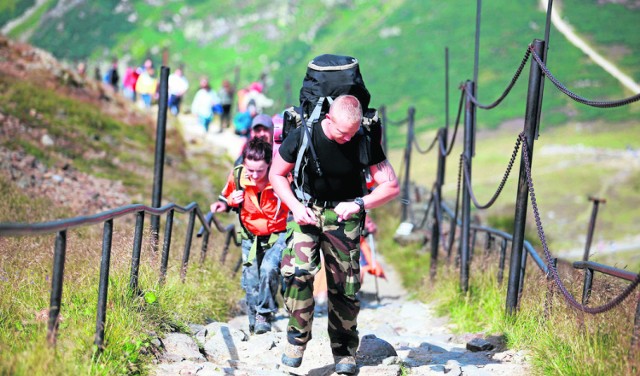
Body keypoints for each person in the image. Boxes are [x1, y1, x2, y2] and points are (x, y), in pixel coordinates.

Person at [269, 95, 399, 375]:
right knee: (297, 273)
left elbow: (390, 186)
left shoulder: (362, 138)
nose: (347, 138)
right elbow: (276, 174)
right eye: (342, 132)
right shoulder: (304, 134)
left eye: (352, 133)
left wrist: (359, 204)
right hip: (306, 210)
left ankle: (344, 352)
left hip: (345, 216)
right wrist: (294, 206)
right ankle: (296, 339)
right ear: (329, 119)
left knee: (345, 285)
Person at [211, 138, 289, 334]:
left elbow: (294, 205)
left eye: (260, 171)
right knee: (251, 278)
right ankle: (254, 319)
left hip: (277, 233)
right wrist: (227, 202)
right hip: (249, 234)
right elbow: (225, 200)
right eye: (250, 169)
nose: (254, 175)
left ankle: (264, 314)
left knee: (269, 269)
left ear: (270, 165)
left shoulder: (281, 178)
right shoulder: (238, 176)